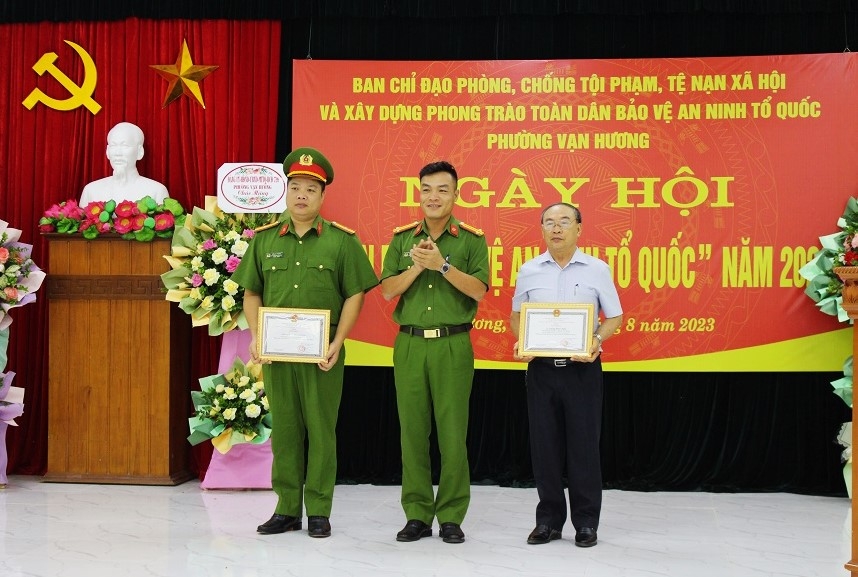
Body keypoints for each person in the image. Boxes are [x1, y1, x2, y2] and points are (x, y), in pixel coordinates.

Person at [231, 147, 378, 539]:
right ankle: (286, 508)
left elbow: (355, 294)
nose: (301, 195)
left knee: (321, 431)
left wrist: (339, 340)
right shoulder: (264, 240)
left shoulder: (341, 242)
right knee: (286, 432)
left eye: (310, 189)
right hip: (277, 357)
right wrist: (258, 338)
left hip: (322, 356)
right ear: (286, 191)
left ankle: (319, 510)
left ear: (322, 196)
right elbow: (251, 294)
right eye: (295, 187)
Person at [380, 160, 489, 544]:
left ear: (456, 194)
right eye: (426, 189)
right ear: (419, 193)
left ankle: (452, 516)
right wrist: (417, 265)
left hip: (452, 344)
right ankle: (417, 514)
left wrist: (441, 264)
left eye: (442, 189)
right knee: (412, 432)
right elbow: (389, 290)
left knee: (452, 433)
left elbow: (478, 290)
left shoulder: (471, 240)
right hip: (409, 344)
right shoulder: (402, 238)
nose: (433, 197)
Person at [510, 202, 623, 548]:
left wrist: (596, 340)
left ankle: (586, 523)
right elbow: (517, 316)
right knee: (545, 448)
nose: (556, 228)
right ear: (541, 229)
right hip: (542, 371)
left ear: (579, 229)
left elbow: (615, 318)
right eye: (549, 222)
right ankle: (548, 522)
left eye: (564, 222)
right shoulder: (529, 270)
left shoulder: (597, 269)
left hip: (582, 370)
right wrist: (522, 340)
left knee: (583, 448)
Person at [79, 121, 169, 206]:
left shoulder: (157, 191)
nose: (118, 153)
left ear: (140, 152)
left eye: (125, 146)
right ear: (107, 151)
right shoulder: (91, 191)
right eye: (113, 146)